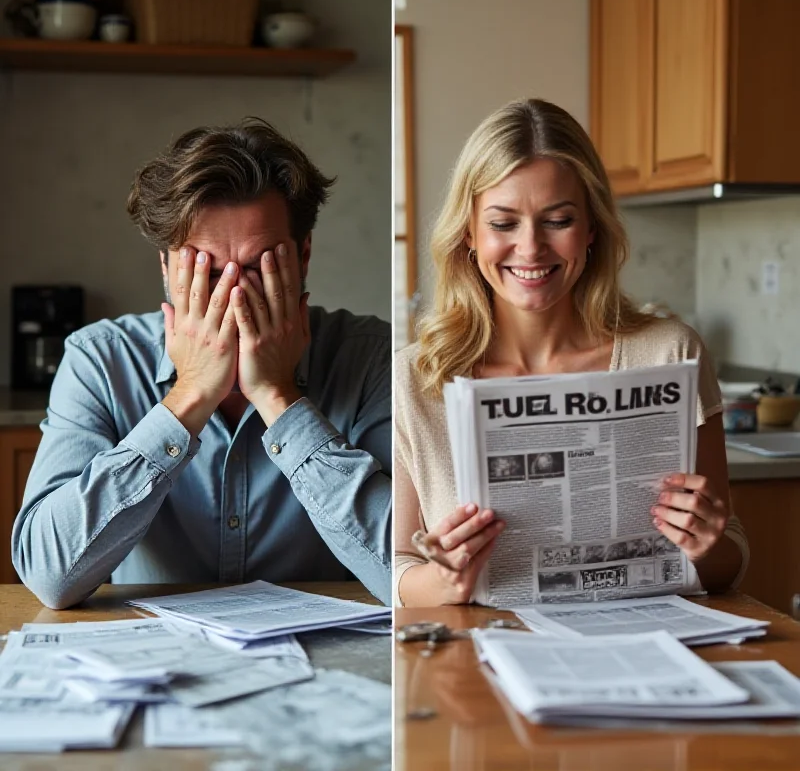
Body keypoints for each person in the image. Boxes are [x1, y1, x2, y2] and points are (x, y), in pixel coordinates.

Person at [13, 119, 392, 609]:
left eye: (259, 267)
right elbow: (50, 576)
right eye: (205, 271)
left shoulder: (370, 356)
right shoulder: (100, 359)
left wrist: (279, 397)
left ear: (303, 256)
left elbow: (406, 572)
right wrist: (188, 396)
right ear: (167, 268)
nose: (232, 295)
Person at [395, 98, 748, 607]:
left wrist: (707, 545)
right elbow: (399, 569)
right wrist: (441, 579)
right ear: (469, 232)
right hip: (480, 656)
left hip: (644, 649)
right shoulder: (415, 377)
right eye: (503, 223)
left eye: (557, 220)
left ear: (591, 228)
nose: (531, 248)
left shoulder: (671, 352)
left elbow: (728, 558)